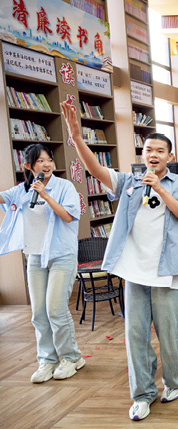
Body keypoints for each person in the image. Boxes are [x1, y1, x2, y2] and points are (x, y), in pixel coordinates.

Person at [61, 102, 178, 421]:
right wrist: (76, 137)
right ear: (143, 153)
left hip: (167, 272)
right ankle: (142, 393)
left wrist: (160, 190)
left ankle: (174, 380)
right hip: (135, 272)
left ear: (169, 156)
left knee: (171, 336)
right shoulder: (130, 180)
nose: (153, 155)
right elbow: (97, 171)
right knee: (136, 336)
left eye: (160, 151)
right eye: (148, 150)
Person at [0, 144, 84, 383]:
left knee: (55, 309)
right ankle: (47, 360)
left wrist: (46, 195)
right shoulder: (22, 190)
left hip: (62, 255)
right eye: (40, 161)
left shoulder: (64, 187)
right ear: (28, 165)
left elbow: (68, 216)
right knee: (38, 313)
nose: (47, 165)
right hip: (35, 257)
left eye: (49, 160)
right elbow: (3, 198)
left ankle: (72, 358)